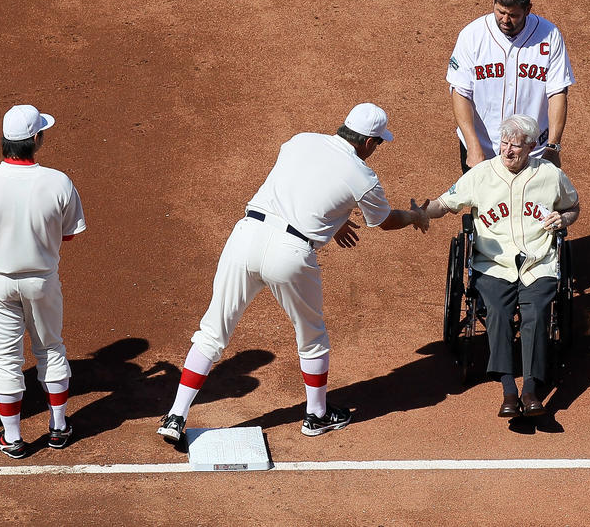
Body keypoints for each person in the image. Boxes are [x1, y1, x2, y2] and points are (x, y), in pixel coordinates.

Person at [156, 103, 429, 446]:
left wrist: (335, 217)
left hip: (245, 237)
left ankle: (175, 415)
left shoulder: (300, 140)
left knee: (211, 332)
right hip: (290, 255)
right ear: (370, 142)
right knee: (312, 337)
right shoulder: (364, 177)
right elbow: (384, 221)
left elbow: (303, 180)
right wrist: (414, 217)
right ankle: (316, 416)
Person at [0, 105, 86, 459]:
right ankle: (58, 429)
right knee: (51, 349)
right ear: (36, 140)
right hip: (42, 280)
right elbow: (70, 235)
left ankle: (12, 439)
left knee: (6, 360)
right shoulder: (58, 181)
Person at [426, 114, 580, 417]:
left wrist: (564, 218)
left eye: (516, 146)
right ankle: (509, 389)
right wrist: (418, 213)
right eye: (504, 143)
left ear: (532, 147)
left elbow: (573, 206)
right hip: (493, 264)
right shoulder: (482, 174)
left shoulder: (550, 175)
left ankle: (531, 390)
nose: (508, 151)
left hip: (539, 262)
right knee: (497, 310)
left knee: (535, 313)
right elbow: (444, 203)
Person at [447, 0, 575, 172]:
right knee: (480, 202)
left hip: (531, 151)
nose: (505, 20)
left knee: (531, 202)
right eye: (500, 12)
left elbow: (557, 93)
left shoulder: (550, 36)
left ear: (528, 9)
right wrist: (473, 145)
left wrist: (553, 146)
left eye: (513, 15)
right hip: (484, 147)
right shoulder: (472, 36)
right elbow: (460, 92)